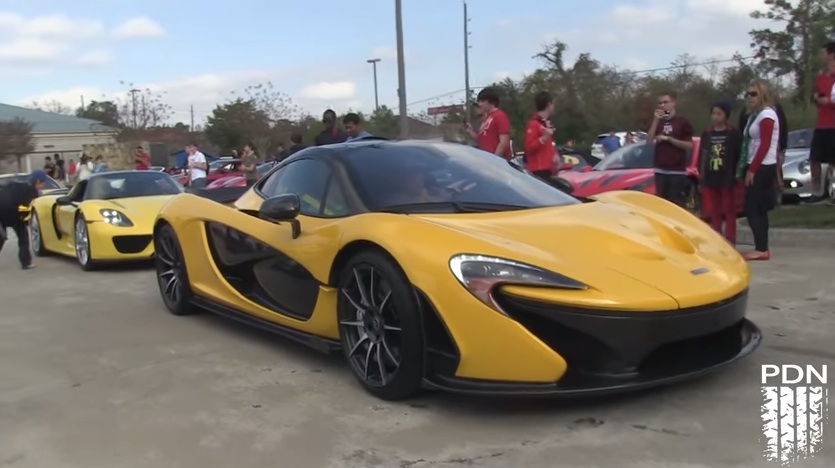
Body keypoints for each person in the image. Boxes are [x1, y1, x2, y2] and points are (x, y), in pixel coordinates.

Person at [738, 80, 780, 261]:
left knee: (752, 208)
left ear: (763, 95)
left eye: (753, 94)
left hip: (762, 165)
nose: (750, 97)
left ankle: (761, 248)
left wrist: (752, 170)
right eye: (748, 94)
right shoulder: (754, 116)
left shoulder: (767, 115)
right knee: (758, 208)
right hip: (753, 162)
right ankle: (761, 247)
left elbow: (765, 144)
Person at [698, 101, 742, 244]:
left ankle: (730, 239)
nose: (716, 117)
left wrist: (737, 173)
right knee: (714, 210)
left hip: (727, 176)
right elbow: (703, 154)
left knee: (729, 210)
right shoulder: (707, 133)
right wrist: (701, 174)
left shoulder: (732, 133)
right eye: (714, 114)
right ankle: (717, 239)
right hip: (711, 175)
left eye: (719, 114)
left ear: (726, 115)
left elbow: (738, 155)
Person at [647, 91, 694, 207]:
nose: (662, 105)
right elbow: (648, 141)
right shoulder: (659, 121)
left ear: (673, 103)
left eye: (665, 102)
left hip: (676, 170)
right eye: (660, 103)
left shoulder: (682, 121)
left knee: (675, 204)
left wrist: (669, 139)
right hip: (660, 170)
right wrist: (656, 120)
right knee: (661, 205)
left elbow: (689, 145)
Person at [0, 170, 47, 270]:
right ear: (38, 181)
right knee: (23, 238)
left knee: (1, 238)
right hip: (13, 213)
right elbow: (27, 209)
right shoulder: (31, 191)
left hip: (1, 211)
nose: (44, 185)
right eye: (43, 182)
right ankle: (26, 263)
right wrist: (25, 220)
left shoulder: (17, 186)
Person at [808, 41, 835, 203]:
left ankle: (833, 191)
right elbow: (818, 96)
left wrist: (829, 102)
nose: (821, 56)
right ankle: (817, 192)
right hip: (821, 124)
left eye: (823, 53)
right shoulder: (820, 76)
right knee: (814, 159)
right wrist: (817, 99)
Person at [467, 87, 512, 160]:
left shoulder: (499, 116)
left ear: (490, 101)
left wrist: (495, 159)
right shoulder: (486, 119)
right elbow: (481, 140)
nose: (480, 104)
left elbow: (504, 141)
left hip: (497, 162)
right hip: (486, 161)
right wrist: (470, 131)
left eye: (482, 101)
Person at [523, 91, 557, 181]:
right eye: (552, 104)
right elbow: (529, 148)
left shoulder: (545, 124)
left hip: (548, 169)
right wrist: (543, 138)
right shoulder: (533, 124)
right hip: (538, 171)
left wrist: (554, 153)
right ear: (549, 105)